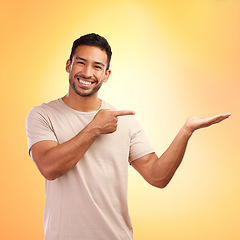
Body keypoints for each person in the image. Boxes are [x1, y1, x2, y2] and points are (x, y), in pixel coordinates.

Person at [26, 33, 231, 240]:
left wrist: (186, 131)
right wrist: (94, 128)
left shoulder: (124, 121)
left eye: (97, 67)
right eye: (81, 63)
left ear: (106, 75)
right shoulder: (43, 115)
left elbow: (157, 176)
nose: (87, 73)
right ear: (69, 65)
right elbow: (49, 168)